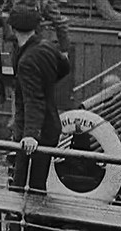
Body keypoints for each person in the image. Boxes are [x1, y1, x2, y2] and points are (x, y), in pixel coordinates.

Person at [8, 6, 70, 193]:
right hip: (50, 127)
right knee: (38, 182)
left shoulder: (27, 61)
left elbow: (34, 101)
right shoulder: (47, 46)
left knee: (21, 184)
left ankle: (19, 220)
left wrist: (30, 135)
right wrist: (46, 82)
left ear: (13, 29)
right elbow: (64, 67)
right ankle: (33, 219)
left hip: (35, 131)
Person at [0, 0, 70, 58]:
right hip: (18, 46)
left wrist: (64, 50)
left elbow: (61, 23)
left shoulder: (45, 3)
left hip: (37, 47)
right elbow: (4, 13)